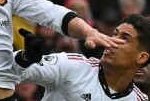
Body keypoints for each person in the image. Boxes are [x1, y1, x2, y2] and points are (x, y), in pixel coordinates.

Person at [14, 14, 149, 100]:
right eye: (114, 34)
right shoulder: (72, 65)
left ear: (142, 58)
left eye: (125, 39)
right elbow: (9, 68)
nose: (110, 42)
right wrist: (25, 58)